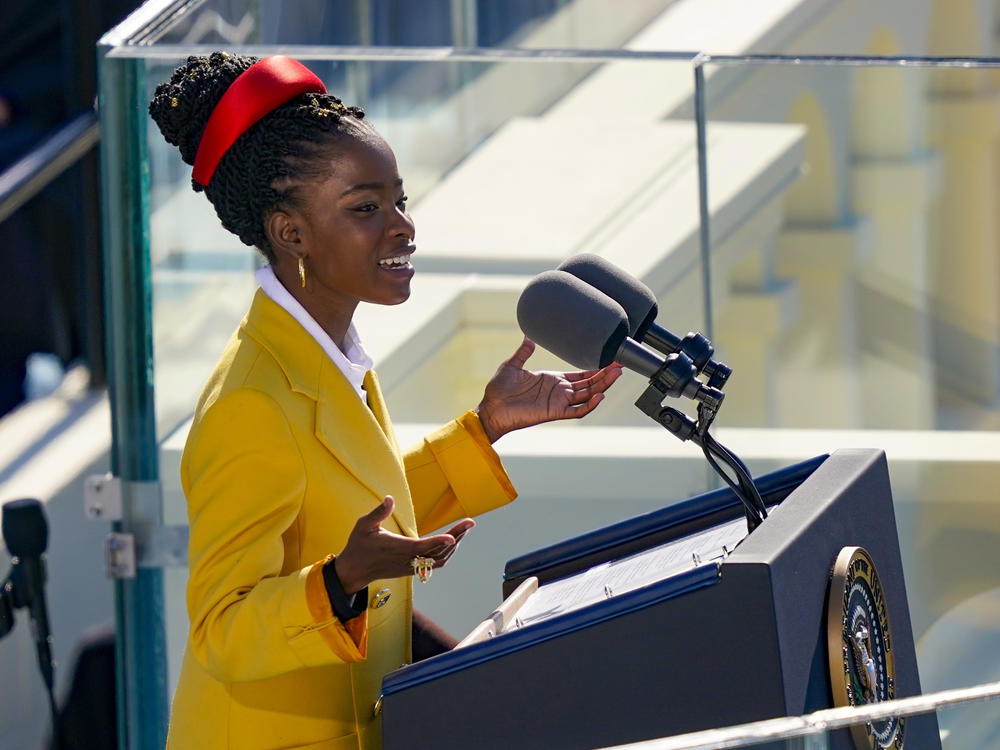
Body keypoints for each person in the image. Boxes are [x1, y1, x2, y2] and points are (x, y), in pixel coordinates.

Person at [148, 52, 621, 750]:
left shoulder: (326, 353)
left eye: (399, 199)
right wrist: (338, 581)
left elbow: (356, 509)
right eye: (366, 208)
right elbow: (221, 628)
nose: (402, 226)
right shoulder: (252, 401)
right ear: (291, 232)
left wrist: (486, 428)